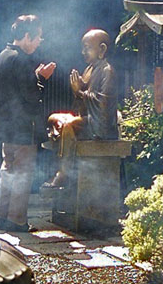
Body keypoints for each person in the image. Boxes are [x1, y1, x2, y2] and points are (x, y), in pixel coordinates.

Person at [0, 14, 56, 232]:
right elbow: (30, 96)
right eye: (38, 37)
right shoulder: (20, 59)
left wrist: (35, 76)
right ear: (27, 36)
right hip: (21, 127)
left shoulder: (4, 55)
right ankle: (17, 220)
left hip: (6, 126)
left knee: (7, 170)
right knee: (22, 173)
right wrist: (41, 78)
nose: (39, 42)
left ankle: (3, 217)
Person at [46, 28, 118, 186]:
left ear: (102, 49)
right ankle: (63, 147)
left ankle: (63, 172)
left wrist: (80, 91)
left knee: (69, 124)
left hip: (99, 124)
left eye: (88, 47)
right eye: (83, 48)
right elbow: (84, 97)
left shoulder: (107, 71)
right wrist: (80, 89)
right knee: (53, 118)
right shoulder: (89, 69)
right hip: (87, 118)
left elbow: (102, 103)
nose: (83, 52)